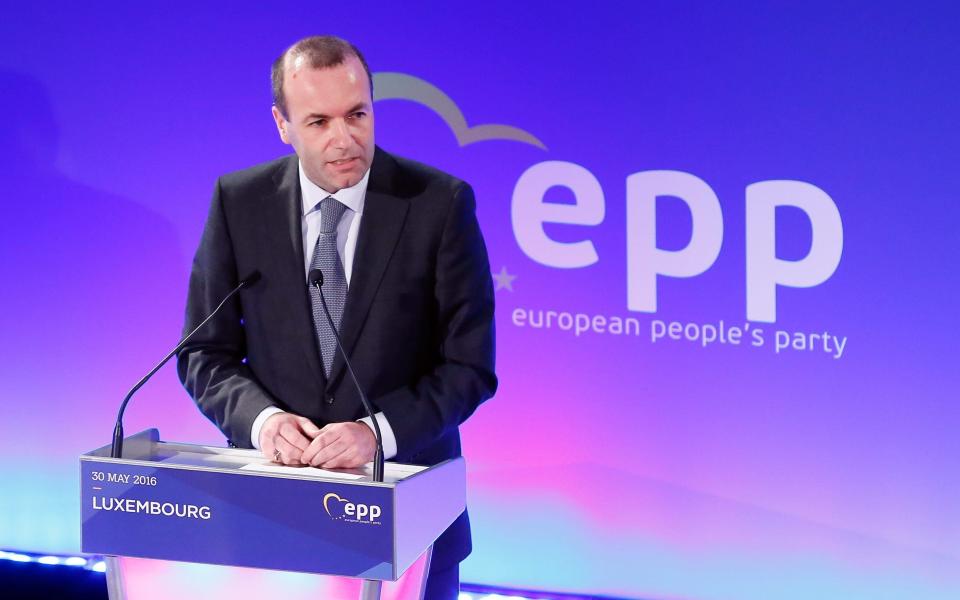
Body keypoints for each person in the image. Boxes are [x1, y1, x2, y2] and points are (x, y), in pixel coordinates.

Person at [177, 35, 497, 599]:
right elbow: (205, 354)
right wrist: (264, 423)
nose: (344, 139)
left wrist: (378, 434)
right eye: (319, 122)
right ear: (283, 123)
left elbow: (469, 368)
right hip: (272, 523)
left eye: (357, 114)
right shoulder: (238, 203)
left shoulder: (439, 205)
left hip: (411, 526)